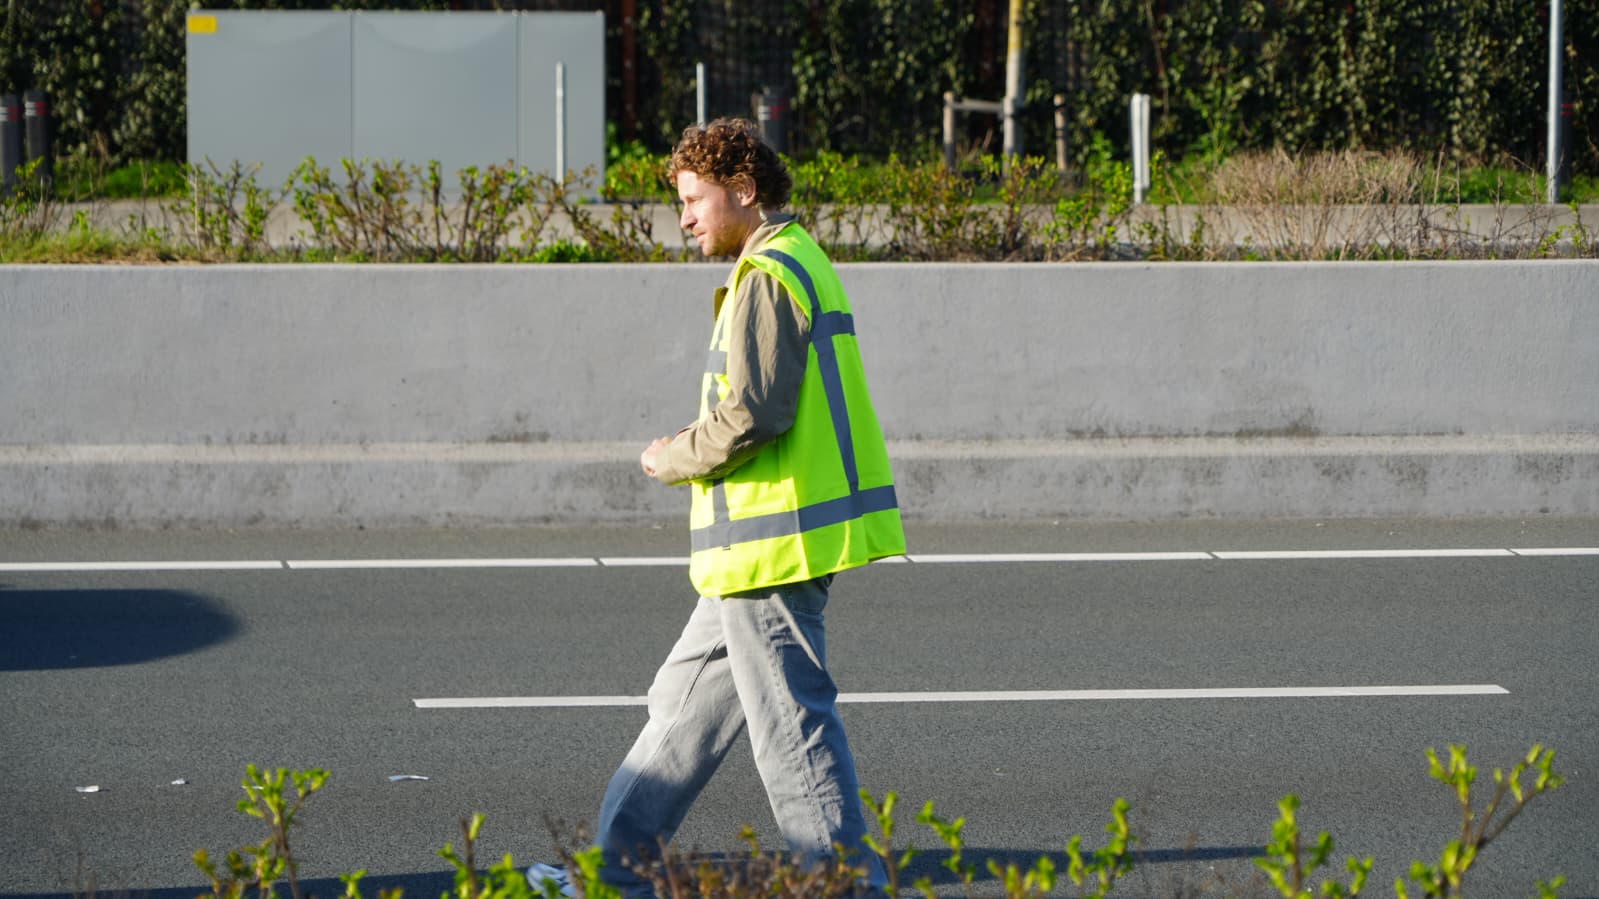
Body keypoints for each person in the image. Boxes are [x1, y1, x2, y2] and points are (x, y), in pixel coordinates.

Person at [532, 118, 906, 898]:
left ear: (744, 189)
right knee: (682, 710)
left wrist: (672, 455)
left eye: (696, 198)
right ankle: (610, 872)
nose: (687, 216)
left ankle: (848, 887)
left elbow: (755, 414)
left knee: (790, 732)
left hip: (774, 549)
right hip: (755, 552)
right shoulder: (792, 259)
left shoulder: (769, 271)